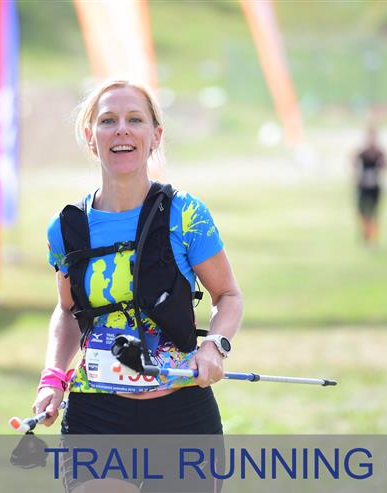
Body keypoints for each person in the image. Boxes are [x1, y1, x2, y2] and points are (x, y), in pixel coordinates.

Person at [32, 79, 243, 492]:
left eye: (135, 120)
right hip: (96, 412)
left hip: (181, 410)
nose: (122, 130)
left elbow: (228, 296)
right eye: (108, 121)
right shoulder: (66, 227)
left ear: (155, 135)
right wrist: (52, 377)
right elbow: (68, 311)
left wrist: (214, 347)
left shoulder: (186, 215)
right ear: (90, 136)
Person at [353, 126, 387, 245]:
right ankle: (366, 235)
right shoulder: (362, 152)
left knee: (374, 213)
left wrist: (382, 164)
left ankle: (373, 237)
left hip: (374, 186)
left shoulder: (379, 152)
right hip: (363, 186)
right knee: (362, 212)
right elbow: (354, 163)